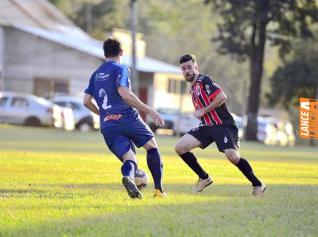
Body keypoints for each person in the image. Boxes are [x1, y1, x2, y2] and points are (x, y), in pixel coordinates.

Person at [83, 38, 167, 199]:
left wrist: (102, 114)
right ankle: (159, 191)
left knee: (129, 158)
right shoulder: (121, 69)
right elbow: (125, 94)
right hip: (128, 118)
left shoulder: (95, 74)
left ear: (104, 53)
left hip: (108, 125)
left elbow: (86, 101)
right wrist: (149, 110)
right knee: (152, 146)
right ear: (121, 52)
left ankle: (128, 177)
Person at [175, 54, 266, 197]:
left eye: (189, 67)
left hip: (223, 125)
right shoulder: (192, 89)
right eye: (183, 69)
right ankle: (204, 178)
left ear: (196, 67)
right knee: (180, 147)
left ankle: (258, 184)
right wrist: (199, 112)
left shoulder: (204, 80)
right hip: (206, 126)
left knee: (232, 157)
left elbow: (222, 97)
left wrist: (203, 110)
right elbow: (202, 108)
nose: (187, 71)